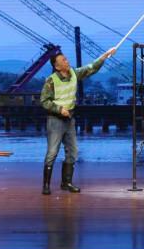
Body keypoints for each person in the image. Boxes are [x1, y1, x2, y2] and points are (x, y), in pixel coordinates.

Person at [40, 47, 116, 195]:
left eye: (66, 59)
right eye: (63, 60)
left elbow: (91, 68)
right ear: (57, 66)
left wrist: (106, 55)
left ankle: (66, 183)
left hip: (69, 119)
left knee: (73, 151)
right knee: (52, 152)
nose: (67, 61)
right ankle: (46, 185)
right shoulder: (51, 80)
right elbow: (44, 101)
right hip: (55, 120)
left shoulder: (74, 73)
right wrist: (59, 109)